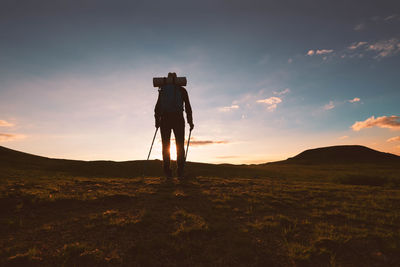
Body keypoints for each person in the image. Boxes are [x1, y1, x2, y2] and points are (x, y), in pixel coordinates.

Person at [154, 72, 194, 180]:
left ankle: (167, 173)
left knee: (165, 145)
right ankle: (180, 172)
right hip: (178, 119)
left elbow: (157, 107)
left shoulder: (162, 90)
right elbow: (188, 107)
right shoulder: (182, 90)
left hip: (165, 119)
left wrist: (157, 122)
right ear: (177, 79)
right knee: (180, 145)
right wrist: (190, 122)